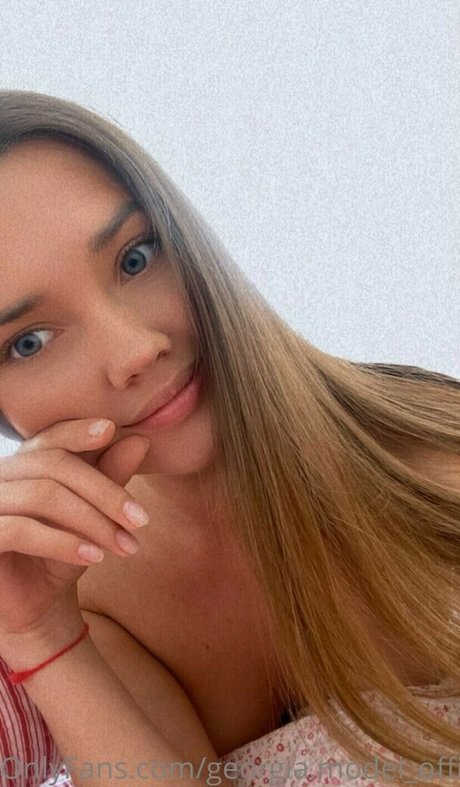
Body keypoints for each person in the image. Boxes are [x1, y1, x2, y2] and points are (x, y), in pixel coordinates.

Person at [0, 89, 458, 787]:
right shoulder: (88, 619)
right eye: (29, 341)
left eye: (135, 258)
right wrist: (38, 637)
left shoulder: (431, 458)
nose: (135, 349)